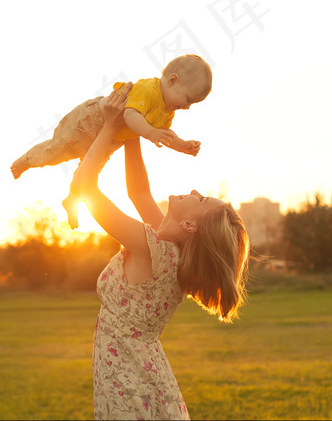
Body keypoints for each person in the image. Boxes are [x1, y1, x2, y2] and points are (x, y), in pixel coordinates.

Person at [70, 84, 250, 419]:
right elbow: (138, 192)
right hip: (141, 372)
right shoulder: (172, 251)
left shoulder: (152, 249)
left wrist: (111, 127)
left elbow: (86, 187)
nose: (195, 190)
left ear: (190, 227)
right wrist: (134, 121)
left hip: (128, 377)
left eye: (201, 200)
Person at [10, 54, 212, 229]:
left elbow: (166, 133)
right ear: (172, 80)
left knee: (90, 173)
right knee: (57, 150)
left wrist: (182, 145)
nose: (187, 107)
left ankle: (72, 199)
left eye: (192, 103)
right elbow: (130, 115)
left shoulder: (167, 111)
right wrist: (149, 132)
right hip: (92, 120)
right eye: (188, 99)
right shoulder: (149, 90)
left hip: (113, 139)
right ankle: (27, 160)